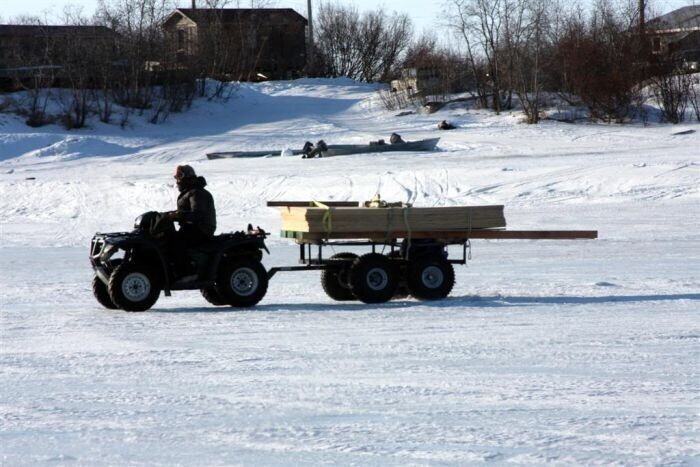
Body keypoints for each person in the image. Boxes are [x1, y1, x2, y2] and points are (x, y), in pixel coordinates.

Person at [167, 165, 217, 277]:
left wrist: (179, 216)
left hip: (201, 229)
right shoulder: (190, 192)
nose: (177, 180)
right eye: (176, 176)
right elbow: (185, 212)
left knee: (175, 242)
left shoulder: (197, 193)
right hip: (191, 228)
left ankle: (185, 273)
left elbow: (198, 214)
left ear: (188, 177)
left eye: (180, 176)